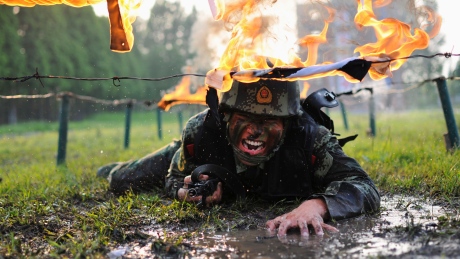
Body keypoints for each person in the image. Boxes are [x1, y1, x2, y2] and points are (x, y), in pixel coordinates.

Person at [97, 79, 380, 237]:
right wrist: (188, 192)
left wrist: (316, 206)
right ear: (226, 116)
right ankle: (109, 167)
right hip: (185, 155)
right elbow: (173, 179)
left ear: (288, 123)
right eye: (245, 118)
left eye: (270, 120)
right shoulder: (200, 132)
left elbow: (363, 186)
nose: (255, 129)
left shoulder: (310, 138)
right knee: (120, 180)